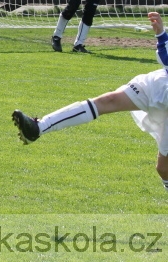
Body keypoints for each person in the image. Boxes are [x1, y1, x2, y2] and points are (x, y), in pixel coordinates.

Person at [14, 11, 168, 188]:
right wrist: (162, 34)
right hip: (161, 83)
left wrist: (161, 35)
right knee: (107, 101)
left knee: (163, 168)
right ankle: (38, 128)